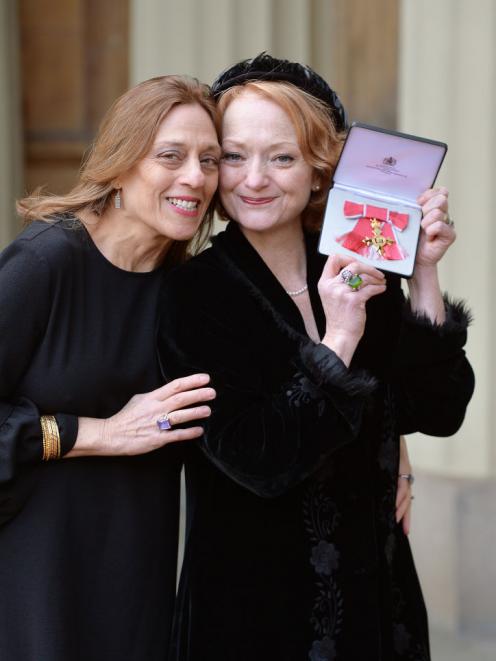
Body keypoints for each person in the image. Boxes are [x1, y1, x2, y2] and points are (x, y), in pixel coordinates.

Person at [158, 55, 475, 660]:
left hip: (377, 597)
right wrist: (340, 338)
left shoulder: (359, 264)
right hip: (255, 611)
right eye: (233, 155)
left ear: (320, 171)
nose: (254, 179)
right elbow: (257, 459)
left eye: (281, 157)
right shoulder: (195, 293)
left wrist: (425, 273)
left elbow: (439, 411)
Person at [0, 75, 220, 661]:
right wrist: (98, 433)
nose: (194, 177)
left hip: (137, 586)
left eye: (209, 160)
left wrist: (388, 439)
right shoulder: (46, 262)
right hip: (33, 583)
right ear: (121, 164)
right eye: (170, 156)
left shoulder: (190, 291)